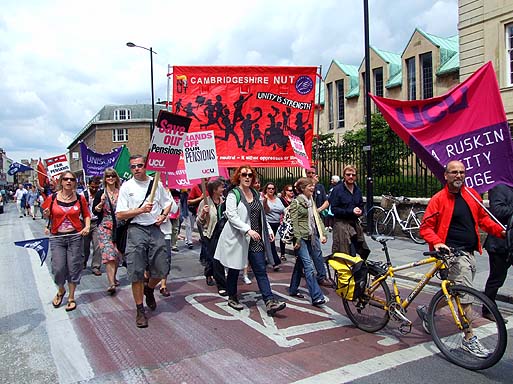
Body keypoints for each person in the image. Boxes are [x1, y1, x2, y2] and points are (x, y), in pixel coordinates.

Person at [419, 160, 505, 358]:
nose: (458, 176)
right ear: (446, 175)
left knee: (455, 294)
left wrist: (501, 231)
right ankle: (469, 338)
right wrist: (438, 243)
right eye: (454, 172)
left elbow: (483, 219)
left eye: (462, 172)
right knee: (465, 298)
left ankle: (427, 310)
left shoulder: (472, 195)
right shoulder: (439, 199)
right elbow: (425, 228)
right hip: (452, 256)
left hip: (469, 252)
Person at [214, 165, 286, 316]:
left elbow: (260, 214)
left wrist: (268, 229)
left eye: (250, 175)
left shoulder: (255, 193)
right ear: (238, 177)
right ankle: (232, 297)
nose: (247, 177)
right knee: (234, 269)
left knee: (260, 269)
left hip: (256, 238)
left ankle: (269, 301)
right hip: (239, 237)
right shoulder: (234, 194)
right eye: (244, 175)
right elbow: (231, 216)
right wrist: (247, 229)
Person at [116, 155, 172, 328]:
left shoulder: (156, 184)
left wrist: (163, 216)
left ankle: (149, 288)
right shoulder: (127, 187)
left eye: (140, 165)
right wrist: (140, 210)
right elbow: (120, 214)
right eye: (133, 167)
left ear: (146, 166)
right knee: (137, 271)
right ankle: (140, 309)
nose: (137, 169)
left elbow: (168, 202)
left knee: (161, 269)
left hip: (155, 229)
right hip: (136, 229)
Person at [43, 171, 91, 312]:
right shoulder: (52, 198)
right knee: (58, 268)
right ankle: (61, 290)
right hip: (57, 237)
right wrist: (47, 217)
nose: (69, 181)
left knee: (74, 267)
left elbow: (86, 215)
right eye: (66, 179)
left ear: (75, 182)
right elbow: (47, 213)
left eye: (72, 179)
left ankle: (71, 297)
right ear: (61, 181)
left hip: (75, 237)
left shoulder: (80, 198)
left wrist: (87, 226)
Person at [288, 177, 326, 306]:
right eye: (309, 186)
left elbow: (317, 218)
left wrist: (323, 233)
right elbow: (295, 222)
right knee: (309, 267)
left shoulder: (311, 201)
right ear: (302, 189)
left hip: (311, 236)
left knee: (300, 264)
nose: (312, 188)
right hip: (301, 238)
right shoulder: (296, 202)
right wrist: (297, 239)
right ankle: (316, 296)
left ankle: (293, 288)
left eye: (313, 185)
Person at [483, 184, 513, 322]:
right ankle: (488, 309)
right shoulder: (499, 187)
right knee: (496, 279)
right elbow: (498, 211)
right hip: (499, 245)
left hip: (511, 242)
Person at [329, 166, 370, 258]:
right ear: (344, 176)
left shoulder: (357, 190)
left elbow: (360, 205)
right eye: (348, 175)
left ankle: (356, 270)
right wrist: (351, 211)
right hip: (341, 224)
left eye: (353, 175)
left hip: (354, 224)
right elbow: (334, 209)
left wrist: (360, 211)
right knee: (343, 252)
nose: (351, 177)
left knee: (362, 249)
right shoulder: (337, 190)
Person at [92, 169, 122, 295]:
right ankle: (111, 283)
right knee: (109, 254)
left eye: (112, 176)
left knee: (116, 255)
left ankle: (114, 277)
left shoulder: (122, 193)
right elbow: (95, 210)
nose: (110, 178)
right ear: (105, 179)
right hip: (104, 227)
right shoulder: (100, 193)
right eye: (108, 176)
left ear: (116, 178)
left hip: (119, 227)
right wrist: (100, 205)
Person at [197, 179, 228, 295]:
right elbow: (199, 222)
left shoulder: (224, 201)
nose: (223, 189)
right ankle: (221, 285)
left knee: (214, 258)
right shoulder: (205, 203)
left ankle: (208, 272)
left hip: (223, 233)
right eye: (221, 187)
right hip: (210, 234)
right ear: (215, 190)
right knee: (217, 259)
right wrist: (203, 213)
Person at [262, 181, 285, 271]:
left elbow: (283, 209)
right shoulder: (263, 199)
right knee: (271, 242)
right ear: (266, 189)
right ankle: (275, 262)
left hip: (276, 224)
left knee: (268, 243)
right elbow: (265, 211)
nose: (271, 190)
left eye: (272, 188)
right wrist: (265, 203)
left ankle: (265, 259)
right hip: (268, 224)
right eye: (269, 188)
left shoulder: (278, 199)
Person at [82, 176, 102, 276]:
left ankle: (96, 266)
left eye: (96, 187)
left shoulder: (101, 194)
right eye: (92, 187)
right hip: (85, 223)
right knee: (85, 245)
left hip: (96, 222)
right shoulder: (82, 195)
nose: (94, 189)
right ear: (88, 185)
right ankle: (83, 262)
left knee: (97, 245)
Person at [278, 184, 295, 261]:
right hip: (284, 221)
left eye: (292, 190)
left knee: (295, 237)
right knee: (283, 237)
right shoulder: (282, 200)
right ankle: (282, 254)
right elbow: (280, 210)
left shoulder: (295, 199)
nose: (292, 192)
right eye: (290, 190)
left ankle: (296, 253)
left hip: (293, 221)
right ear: (286, 191)